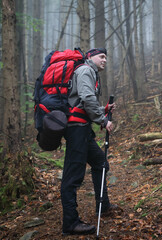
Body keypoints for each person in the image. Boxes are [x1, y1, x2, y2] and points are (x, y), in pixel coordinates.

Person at [61, 48, 117, 235]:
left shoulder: (90, 72)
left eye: (106, 57)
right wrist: (103, 120)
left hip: (83, 128)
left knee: (100, 163)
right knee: (72, 176)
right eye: (101, 56)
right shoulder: (85, 70)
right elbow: (86, 98)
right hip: (76, 130)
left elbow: (82, 102)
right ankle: (70, 223)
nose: (105, 60)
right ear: (90, 57)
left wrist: (103, 109)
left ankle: (103, 206)